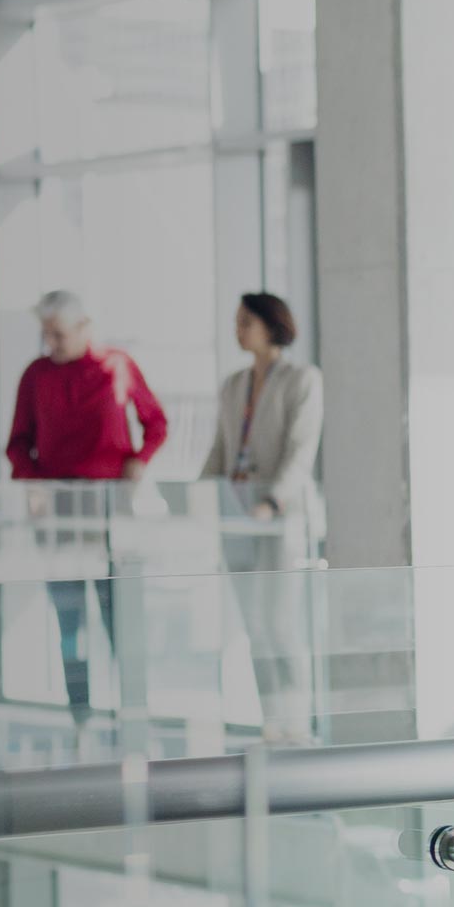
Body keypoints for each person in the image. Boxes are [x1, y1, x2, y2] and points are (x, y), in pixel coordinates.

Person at [5, 290, 168, 724]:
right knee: (69, 622)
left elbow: (156, 423)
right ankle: (82, 719)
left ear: (84, 328)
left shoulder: (117, 365)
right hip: (57, 513)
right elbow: (18, 443)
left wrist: (139, 461)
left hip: (111, 510)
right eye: (45, 335)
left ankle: (134, 716)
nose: (50, 344)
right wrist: (33, 484)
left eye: (58, 335)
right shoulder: (36, 375)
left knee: (120, 617)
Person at [200, 292, 325, 743]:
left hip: (279, 520)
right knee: (254, 626)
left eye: (245, 322)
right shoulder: (234, 385)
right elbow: (220, 449)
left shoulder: (302, 380)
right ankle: (272, 722)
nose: (238, 330)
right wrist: (200, 495)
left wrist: (272, 502)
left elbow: (301, 452)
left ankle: (298, 722)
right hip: (235, 520)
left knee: (280, 625)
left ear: (271, 325)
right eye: (236, 322)